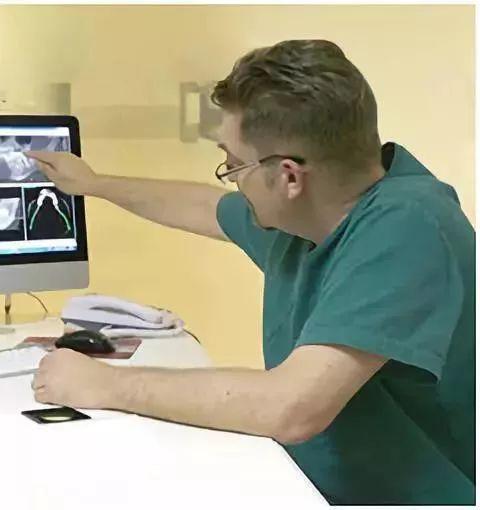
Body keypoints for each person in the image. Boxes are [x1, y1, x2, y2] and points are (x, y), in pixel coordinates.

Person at [26, 40, 475, 505]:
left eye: (234, 164)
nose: (231, 177)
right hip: (309, 484)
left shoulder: (410, 228)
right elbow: (204, 206)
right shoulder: (313, 214)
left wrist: (104, 384)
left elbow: (292, 407)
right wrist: (92, 184)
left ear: (289, 177)